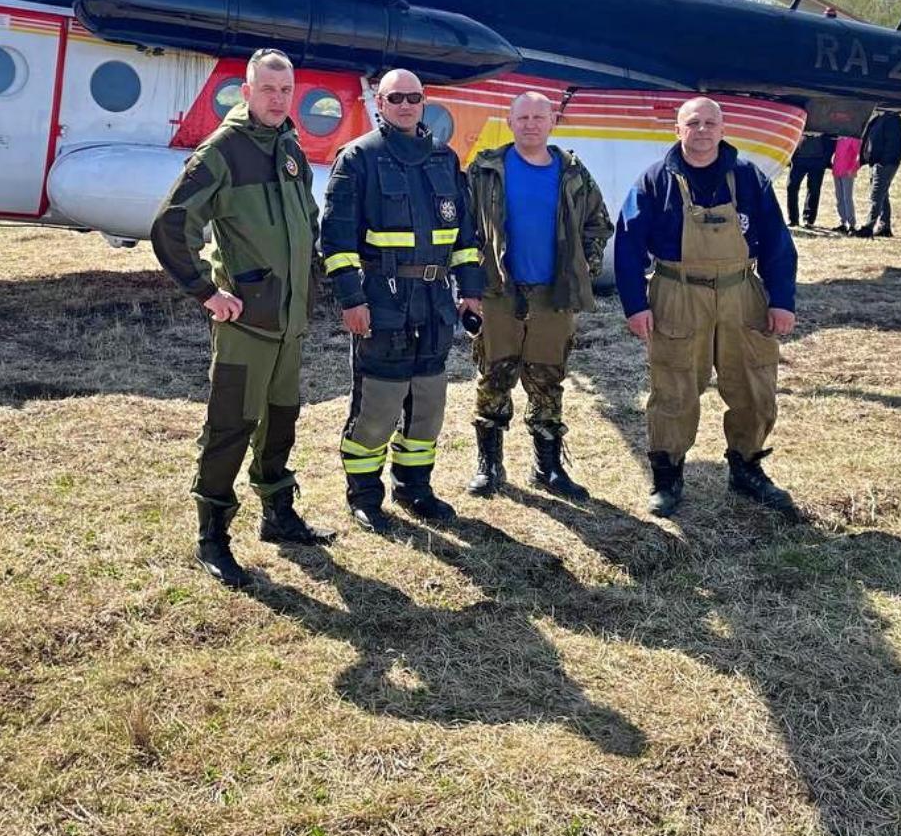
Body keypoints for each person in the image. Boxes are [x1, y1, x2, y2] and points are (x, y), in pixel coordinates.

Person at [151, 49, 334, 588]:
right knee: (231, 426)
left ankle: (278, 513)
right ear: (247, 91)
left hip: (290, 322)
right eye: (268, 89)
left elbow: (307, 220)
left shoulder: (291, 147)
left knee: (282, 421)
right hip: (247, 323)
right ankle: (213, 535)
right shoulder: (224, 151)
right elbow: (171, 225)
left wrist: (313, 279)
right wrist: (208, 292)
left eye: (286, 90)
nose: (278, 99)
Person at [614, 97, 799, 519]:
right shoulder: (654, 180)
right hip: (677, 293)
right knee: (674, 387)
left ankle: (747, 467)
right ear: (677, 130)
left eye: (709, 122)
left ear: (722, 127)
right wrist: (635, 305)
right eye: (692, 123)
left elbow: (777, 242)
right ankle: (667, 475)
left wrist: (782, 299)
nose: (701, 130)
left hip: (741, 293)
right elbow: (627, 245)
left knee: (754, 386)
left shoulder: (749, 177)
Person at [321, 68, 486, 532]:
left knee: (429, 404)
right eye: (396, 98)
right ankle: (365, 495)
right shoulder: (357, 159)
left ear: (424, 100)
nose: (406, 105)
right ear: (380, 103)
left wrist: (470, 291)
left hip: (434, 300)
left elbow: (466, 238)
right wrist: (352, 299)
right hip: (382, 299)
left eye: (414, 97)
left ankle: (415, 488)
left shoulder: (443, 159)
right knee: (378, 404)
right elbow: (336, 241)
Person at [464, 91, 612, 499]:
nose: (531, 124)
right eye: (523, 117)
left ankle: (547, 468)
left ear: (552, 123)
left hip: (554, 295)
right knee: (494, 375)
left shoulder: (573, 174)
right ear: (510, 123)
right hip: (499, 291)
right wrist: (470, 280)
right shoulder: (485, 170)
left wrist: (584, 270)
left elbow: (599, 224)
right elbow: (464, 226)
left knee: (548, 378)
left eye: (538, 117)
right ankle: (490, 465)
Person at [856, 111, 901, 238]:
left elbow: (894, 144)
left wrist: (884, 161)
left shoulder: (893, 120)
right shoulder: (877, 118)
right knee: (883, 194)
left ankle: (868, 227)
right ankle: (885, 226)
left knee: (876, 195)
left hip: (885, 163)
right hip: (876, 162)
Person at [785, 132, 833, 228]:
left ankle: (809, 219)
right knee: (791, 187)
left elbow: (831, 138)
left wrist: (825, 159)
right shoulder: (800, 116)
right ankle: (793, 219)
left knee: (814, 189)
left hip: (818, 159)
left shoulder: (824, 119)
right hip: (798, 159)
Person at [831, 134, 862, 234]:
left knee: (847, 198)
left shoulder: (854, 138)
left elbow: (860, 155)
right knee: (839, 198)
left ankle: (852, 224)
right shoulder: (839, 138)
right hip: (837, 171)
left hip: (847, 172)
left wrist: (853, 168)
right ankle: (843, 222)